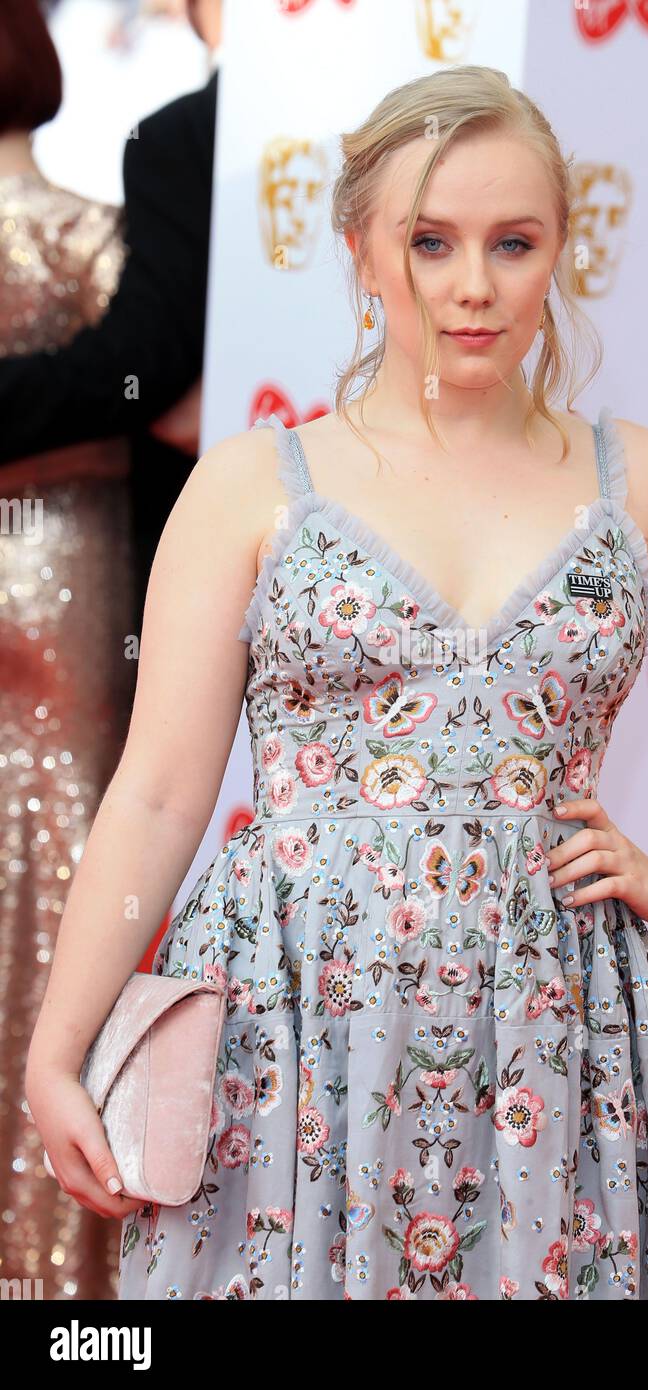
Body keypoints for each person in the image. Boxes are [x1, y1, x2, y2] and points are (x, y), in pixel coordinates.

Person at [26, 66, 648, 1302]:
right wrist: (56, 1048)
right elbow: (153, 799)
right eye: (429, 241)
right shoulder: (256, 485)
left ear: (558, 250)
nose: (473, 285)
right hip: (296, 1021)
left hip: (554, 1020)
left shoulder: (640, 483)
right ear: (362, 251)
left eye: (512, 242)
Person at [0, 0, 136, 1301]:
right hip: (73, 563)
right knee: (70, 857)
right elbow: (153, 396)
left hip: (58, 558)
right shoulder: (93, 229)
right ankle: (64, 1265)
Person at [0, 0, 223, 634]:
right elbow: (166, 399)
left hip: (83, 572)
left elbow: (146, 374)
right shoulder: (103, 235)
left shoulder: (156, 173)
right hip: (91, 571)